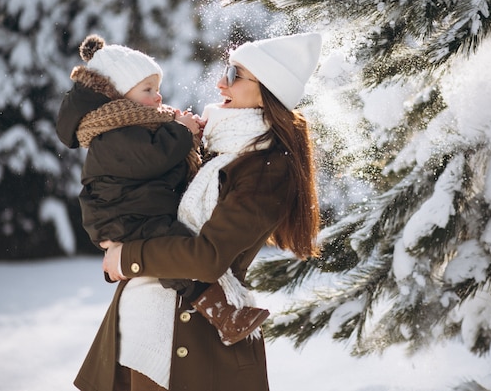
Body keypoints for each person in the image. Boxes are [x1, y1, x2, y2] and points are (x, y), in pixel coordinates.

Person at [75, 32, 323, 391]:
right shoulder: (214, 149)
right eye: (227, 70)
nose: (222, 82)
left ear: (267, 91)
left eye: (236, 75)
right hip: (143, 329)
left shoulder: (266, 168)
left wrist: (127, 255)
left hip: (192, 343)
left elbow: (208, 258)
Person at [56, 35, 271, 353]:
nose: (157, 97)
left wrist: (185, 133)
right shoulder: (113, 136)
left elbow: (159, 163)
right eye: (147, 90)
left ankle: (225, 310)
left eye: (156, 89)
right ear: (118, 96)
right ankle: (223, 313)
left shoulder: (136, 127)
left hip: (131, 210)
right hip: (124, 217)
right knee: (177, 249)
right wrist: (181, 132)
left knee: (177, 244)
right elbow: (154, 158)